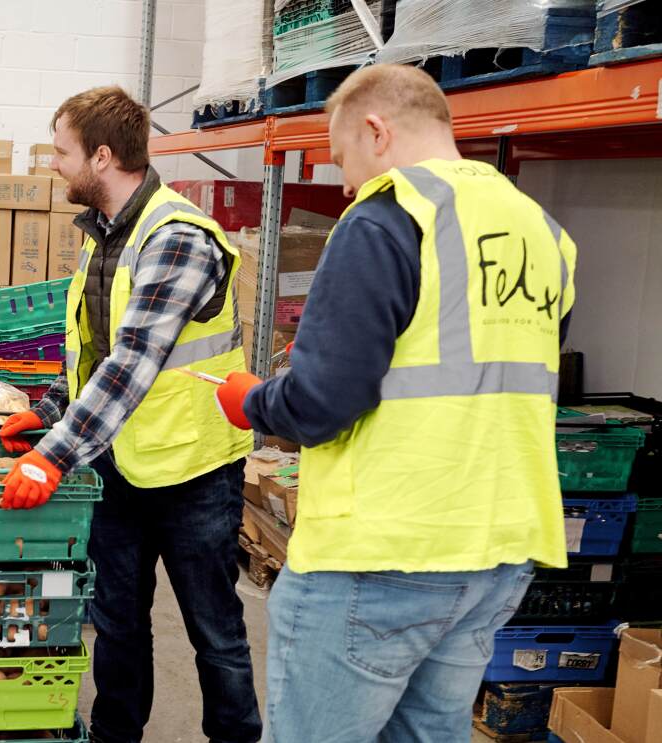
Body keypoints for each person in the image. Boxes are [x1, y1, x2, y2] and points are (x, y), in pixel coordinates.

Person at [211, 65, 577, 742]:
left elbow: (322, 402)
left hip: (384, 551)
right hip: (498, 547)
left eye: (342, 158)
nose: (346, 185)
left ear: (376, 130)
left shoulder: (387, 217)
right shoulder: (541, 230)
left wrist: (253, 401)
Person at [0, 86, 261, 743]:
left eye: (61, 152)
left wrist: (51, 457)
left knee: (214, 631)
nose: (53, 164)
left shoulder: (176, 237)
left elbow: (133, 362)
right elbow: (93, 351)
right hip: (120, 464)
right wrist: (49, 412)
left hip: (194, 471)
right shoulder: (104, 234)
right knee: (117, 621)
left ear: (103, 156)